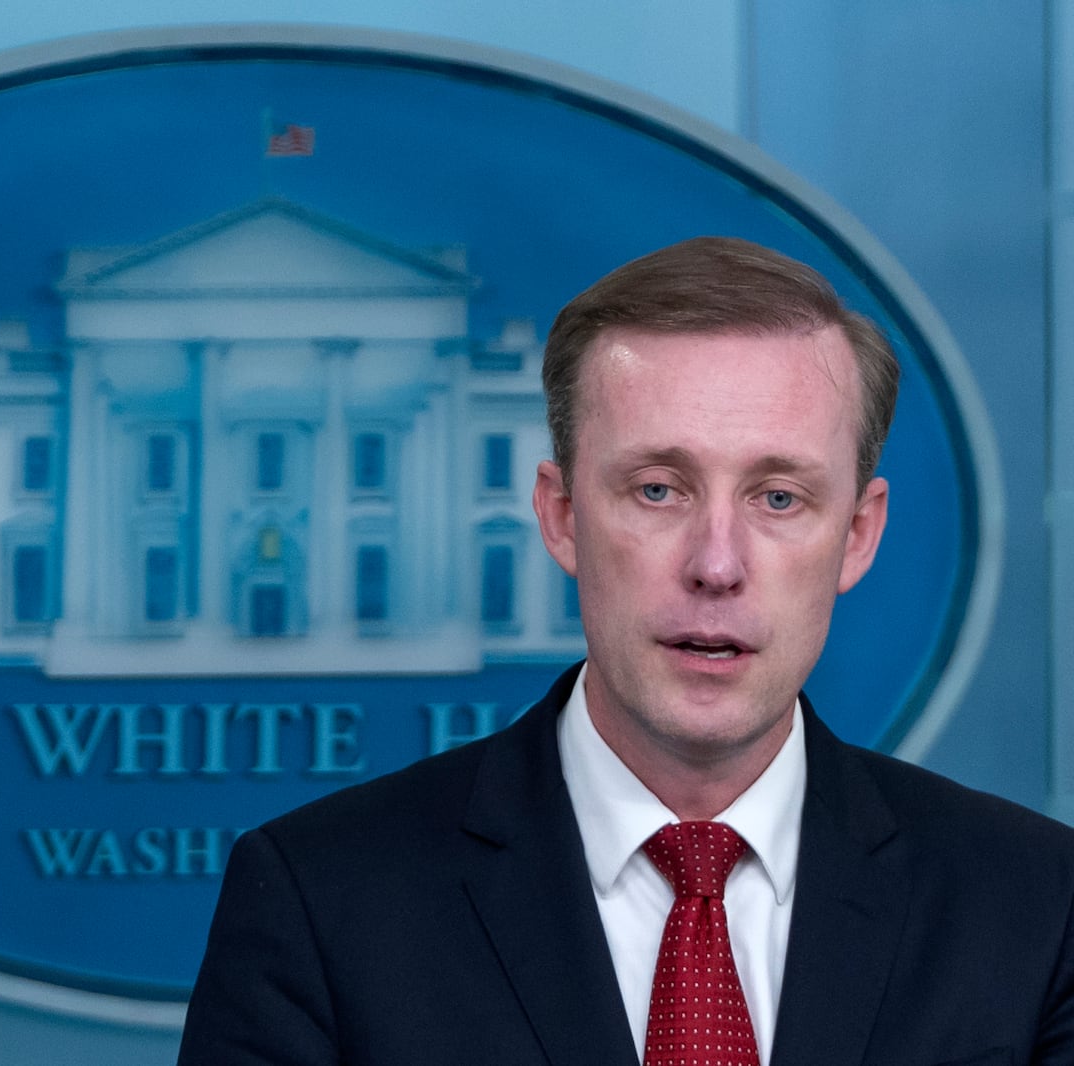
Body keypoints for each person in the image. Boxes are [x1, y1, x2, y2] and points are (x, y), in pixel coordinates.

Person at [176, 237, 1074, 1065]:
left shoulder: (1035, 904)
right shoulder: (322, 902)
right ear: (561, 516)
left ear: (859, 534)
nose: (717, 565)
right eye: (657, 489)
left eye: (778, 498)